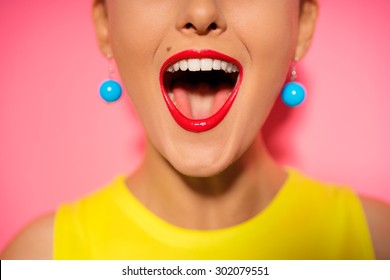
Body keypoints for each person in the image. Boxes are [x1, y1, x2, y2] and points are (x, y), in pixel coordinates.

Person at [1, 0, 390, 260]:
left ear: (301, 25)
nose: (202, 11)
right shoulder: (40, 258)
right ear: (106, 25)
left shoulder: (377, 244)